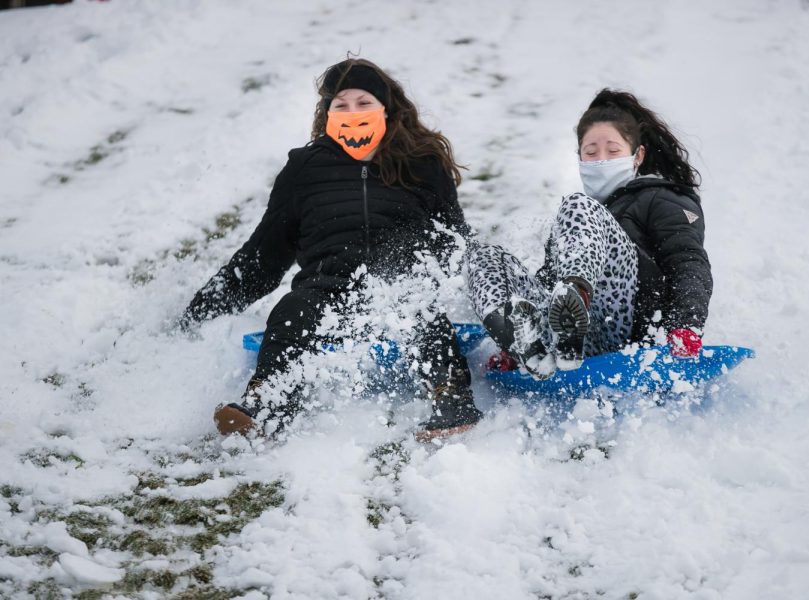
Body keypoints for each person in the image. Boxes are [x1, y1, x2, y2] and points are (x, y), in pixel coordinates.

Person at [180, 58, 482, 441]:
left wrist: (458, 284)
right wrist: (202, 310)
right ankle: (266, 401)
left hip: (401, 285)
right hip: (327, 288)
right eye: (341, 105)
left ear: (386, 107)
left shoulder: (422, 164)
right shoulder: (305, 169)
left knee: (420, 311)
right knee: (291, 313)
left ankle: (451, 397)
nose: (352, 112)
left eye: (363, 102)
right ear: (327, 112)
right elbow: (264, 253)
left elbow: (453, 238)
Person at [465, 89, 712, 379]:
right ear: (580, 158)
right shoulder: (574, 220)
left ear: (637, 156)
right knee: (480, 256)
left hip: (627, 326)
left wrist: (685, 325)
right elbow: (548, 279)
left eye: (613, 151)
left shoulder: (662, 198)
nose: (601, 160)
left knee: (579, 205)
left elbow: (688, 262)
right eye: (591, 153)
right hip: (569, 338)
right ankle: (522, 344)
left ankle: (575, 300)